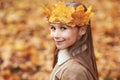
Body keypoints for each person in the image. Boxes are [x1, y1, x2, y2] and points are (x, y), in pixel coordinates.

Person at [43, 1, 99, 80]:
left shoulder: (73, 70)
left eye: (63, 28)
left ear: (82, 30)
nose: (55, 35)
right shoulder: (66, 60)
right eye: (53, 28)